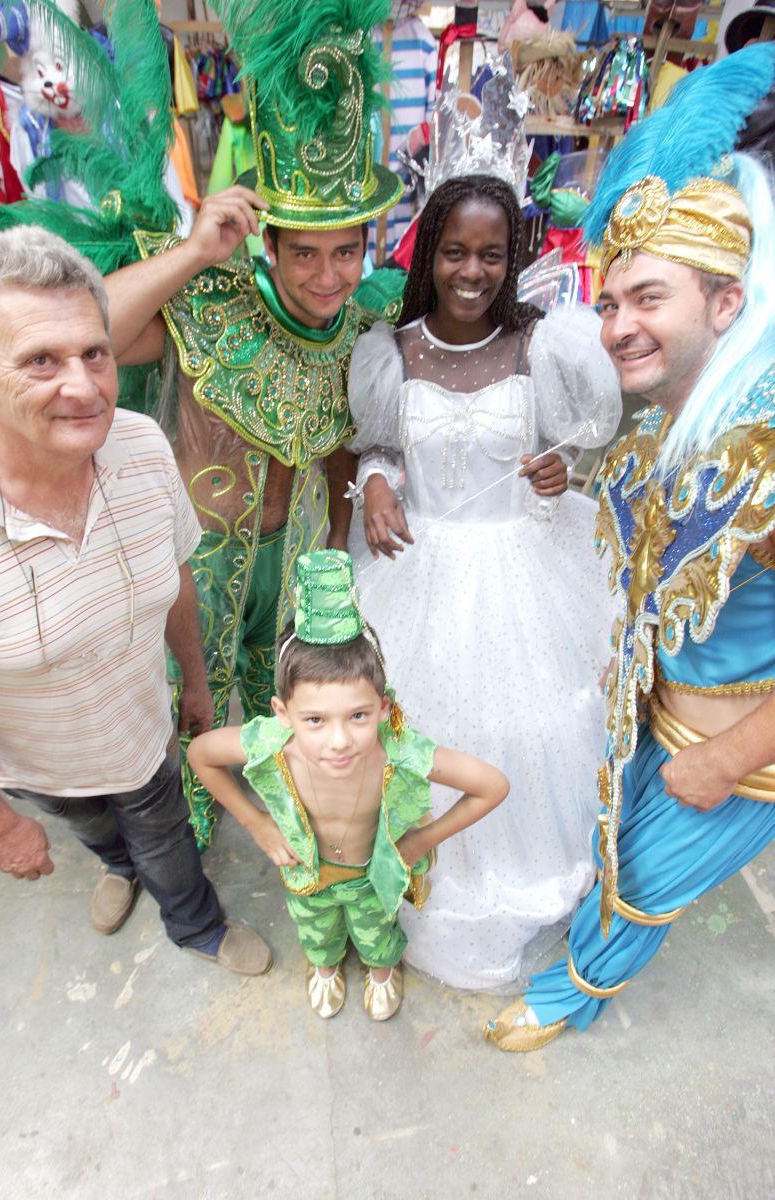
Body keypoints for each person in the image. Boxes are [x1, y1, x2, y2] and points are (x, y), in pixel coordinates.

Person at [485, 43, 775, 1051]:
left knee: (640, 883)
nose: (615, 326)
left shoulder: (768, 459)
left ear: (725, 304)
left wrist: (730, 756)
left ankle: (570, 997)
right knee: (608, 856)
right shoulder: (655, 425)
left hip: (735, 759)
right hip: (646, 714)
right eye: (608, 302)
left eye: (648, 298)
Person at [100, 0, 406, 850]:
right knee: (193, 691)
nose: (326, 275)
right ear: (266, 245)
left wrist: (338, 549)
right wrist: (196, 252)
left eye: (346, 252)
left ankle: (270, 788)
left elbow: (346, 444)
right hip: (200, 551)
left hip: (297, 549)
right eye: (303, 252)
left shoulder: (359, 328)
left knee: (283, 696)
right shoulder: (211, 302)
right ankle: (189, 802)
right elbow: (98, 329)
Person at [346, 173, 622, 991]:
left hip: (520, 574)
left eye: (493, 255)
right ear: (429, 253)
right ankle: (425, 877)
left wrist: (558, 466)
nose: (474, 271)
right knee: (420, 731)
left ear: (514, 257)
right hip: (420, 572)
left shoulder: (542, 343)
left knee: (522, 732)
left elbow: (577, 441)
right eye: (457, 253)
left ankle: (516, 879)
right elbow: (378, 447)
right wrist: (376, 484)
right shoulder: (388, 353)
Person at [0, 225, 270, 976]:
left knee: (165, 833)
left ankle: (194, 924)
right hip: (36, 769)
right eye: (41, 359)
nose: (83, 386)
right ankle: (117, 866)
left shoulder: (139, 445)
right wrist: (0, 826)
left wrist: (198, 683)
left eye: (94, 353)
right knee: (97, 829)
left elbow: (173, 576)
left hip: (143, 737)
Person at [187, 549, 509, 1020]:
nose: (338, 741)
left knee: (378, 930)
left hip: (371, 874)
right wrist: (255, 822)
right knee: (316, 930)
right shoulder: (270, 742)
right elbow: (201, 756)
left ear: (382, 706)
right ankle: (325, 965)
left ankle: (382, 970)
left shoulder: (397, 748)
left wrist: (421, 839)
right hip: (305, 874)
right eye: (314, 719)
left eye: (357, 715)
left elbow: (492, 785)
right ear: (282, 712)